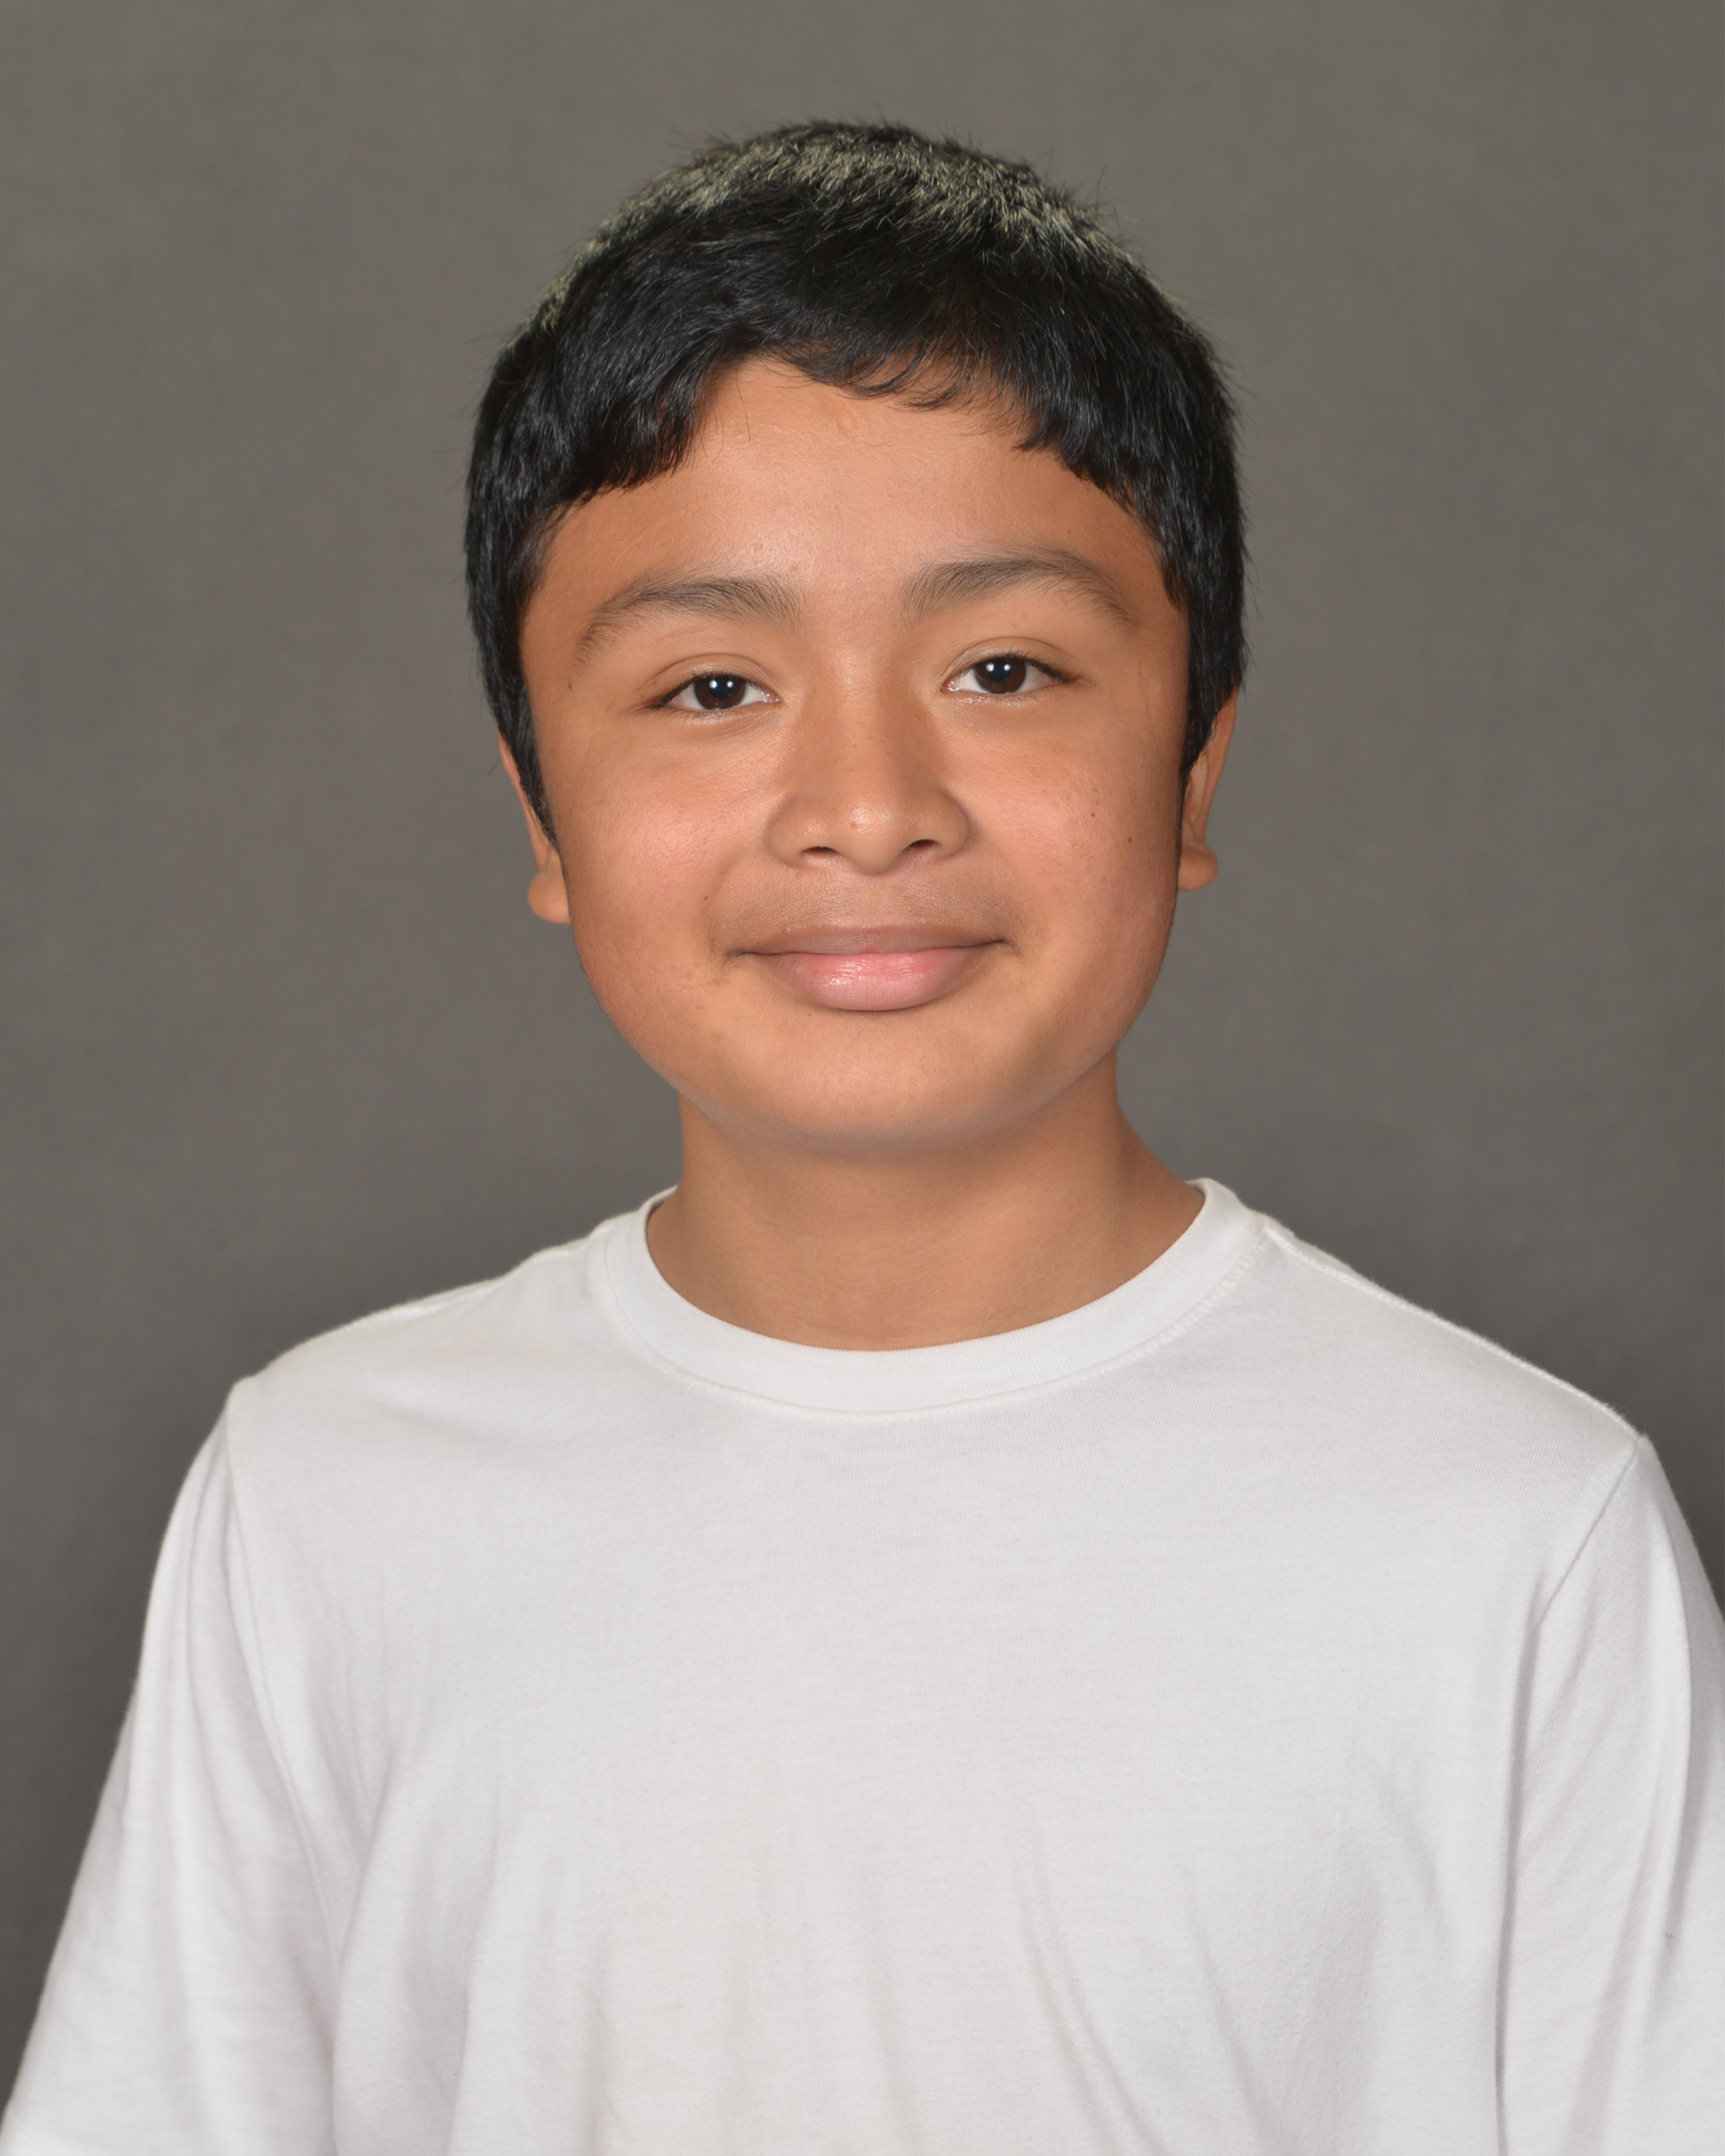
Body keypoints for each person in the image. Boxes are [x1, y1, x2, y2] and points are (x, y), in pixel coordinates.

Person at [3, 121, 1719, 2156]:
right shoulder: (329, 1497)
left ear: (1193, 765)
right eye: (712, 687)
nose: (867, 807)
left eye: (1003, 668)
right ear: (543, 812)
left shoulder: (1517, 1534)